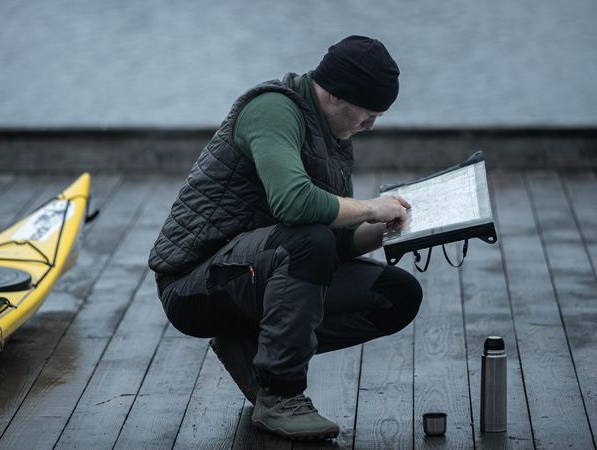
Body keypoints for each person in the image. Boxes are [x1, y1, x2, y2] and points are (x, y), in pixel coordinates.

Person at [148, 35, 422, 440]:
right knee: (309, 241)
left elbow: (339, 238)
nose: (371, 126)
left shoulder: (334, 137)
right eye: (368, 114)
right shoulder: (273, 110)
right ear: (334, 96)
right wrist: (369, 207)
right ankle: (280, 395)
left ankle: (252, 346)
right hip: (194, 286)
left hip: (259, 272)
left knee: (397, 295)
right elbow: (295, 205)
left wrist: (386, 231)